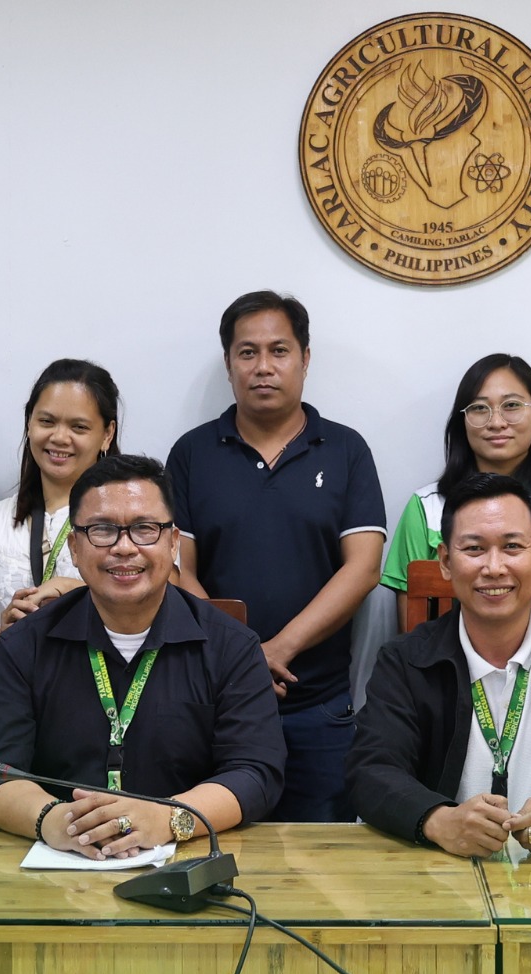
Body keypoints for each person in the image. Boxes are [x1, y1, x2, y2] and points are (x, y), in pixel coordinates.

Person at [0, 455, 285, 857]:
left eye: (144, 529)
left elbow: (256, 773)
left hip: (190, 860)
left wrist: (168, 819)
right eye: (102, 530)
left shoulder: (232, 647)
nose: (125, 547)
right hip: (59, 861)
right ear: (76, 548)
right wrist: (53, 821)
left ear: (172, 542)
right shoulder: (22, 645)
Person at [347, 473, 531, 857]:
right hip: (443, 871)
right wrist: (438, 821)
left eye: (512, 547)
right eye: (474, 549)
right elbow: (371, 770)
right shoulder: (405, 660)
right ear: (444, 561)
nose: (494, 567)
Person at [166, 290, 386, 822]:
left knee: (324, 871)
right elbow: (176, 571)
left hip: (319, 706)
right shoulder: (191, 454)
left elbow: (364, 568)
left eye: (279, 351)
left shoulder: (345, 449)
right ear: (228, 363)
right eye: (247, 352)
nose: (263, 366)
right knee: (214, 854)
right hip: (218, 704)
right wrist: (246, 655)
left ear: (305, 359)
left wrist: (278, 649)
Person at [381, 354, 531, 629]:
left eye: (511, 405)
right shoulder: (426, 508)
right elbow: (413, 633)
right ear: (462, 421)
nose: (496, 422)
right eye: (479, 408)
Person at [0, 360, 119, 657]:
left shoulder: (135, 517)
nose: (59, 437)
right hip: (10, 690)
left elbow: (165, 603)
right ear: (29, 423)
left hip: (109, 692)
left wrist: (77, 590)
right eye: (47, 421)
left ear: (107, 434)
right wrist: (1, 636)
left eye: (78, 427)